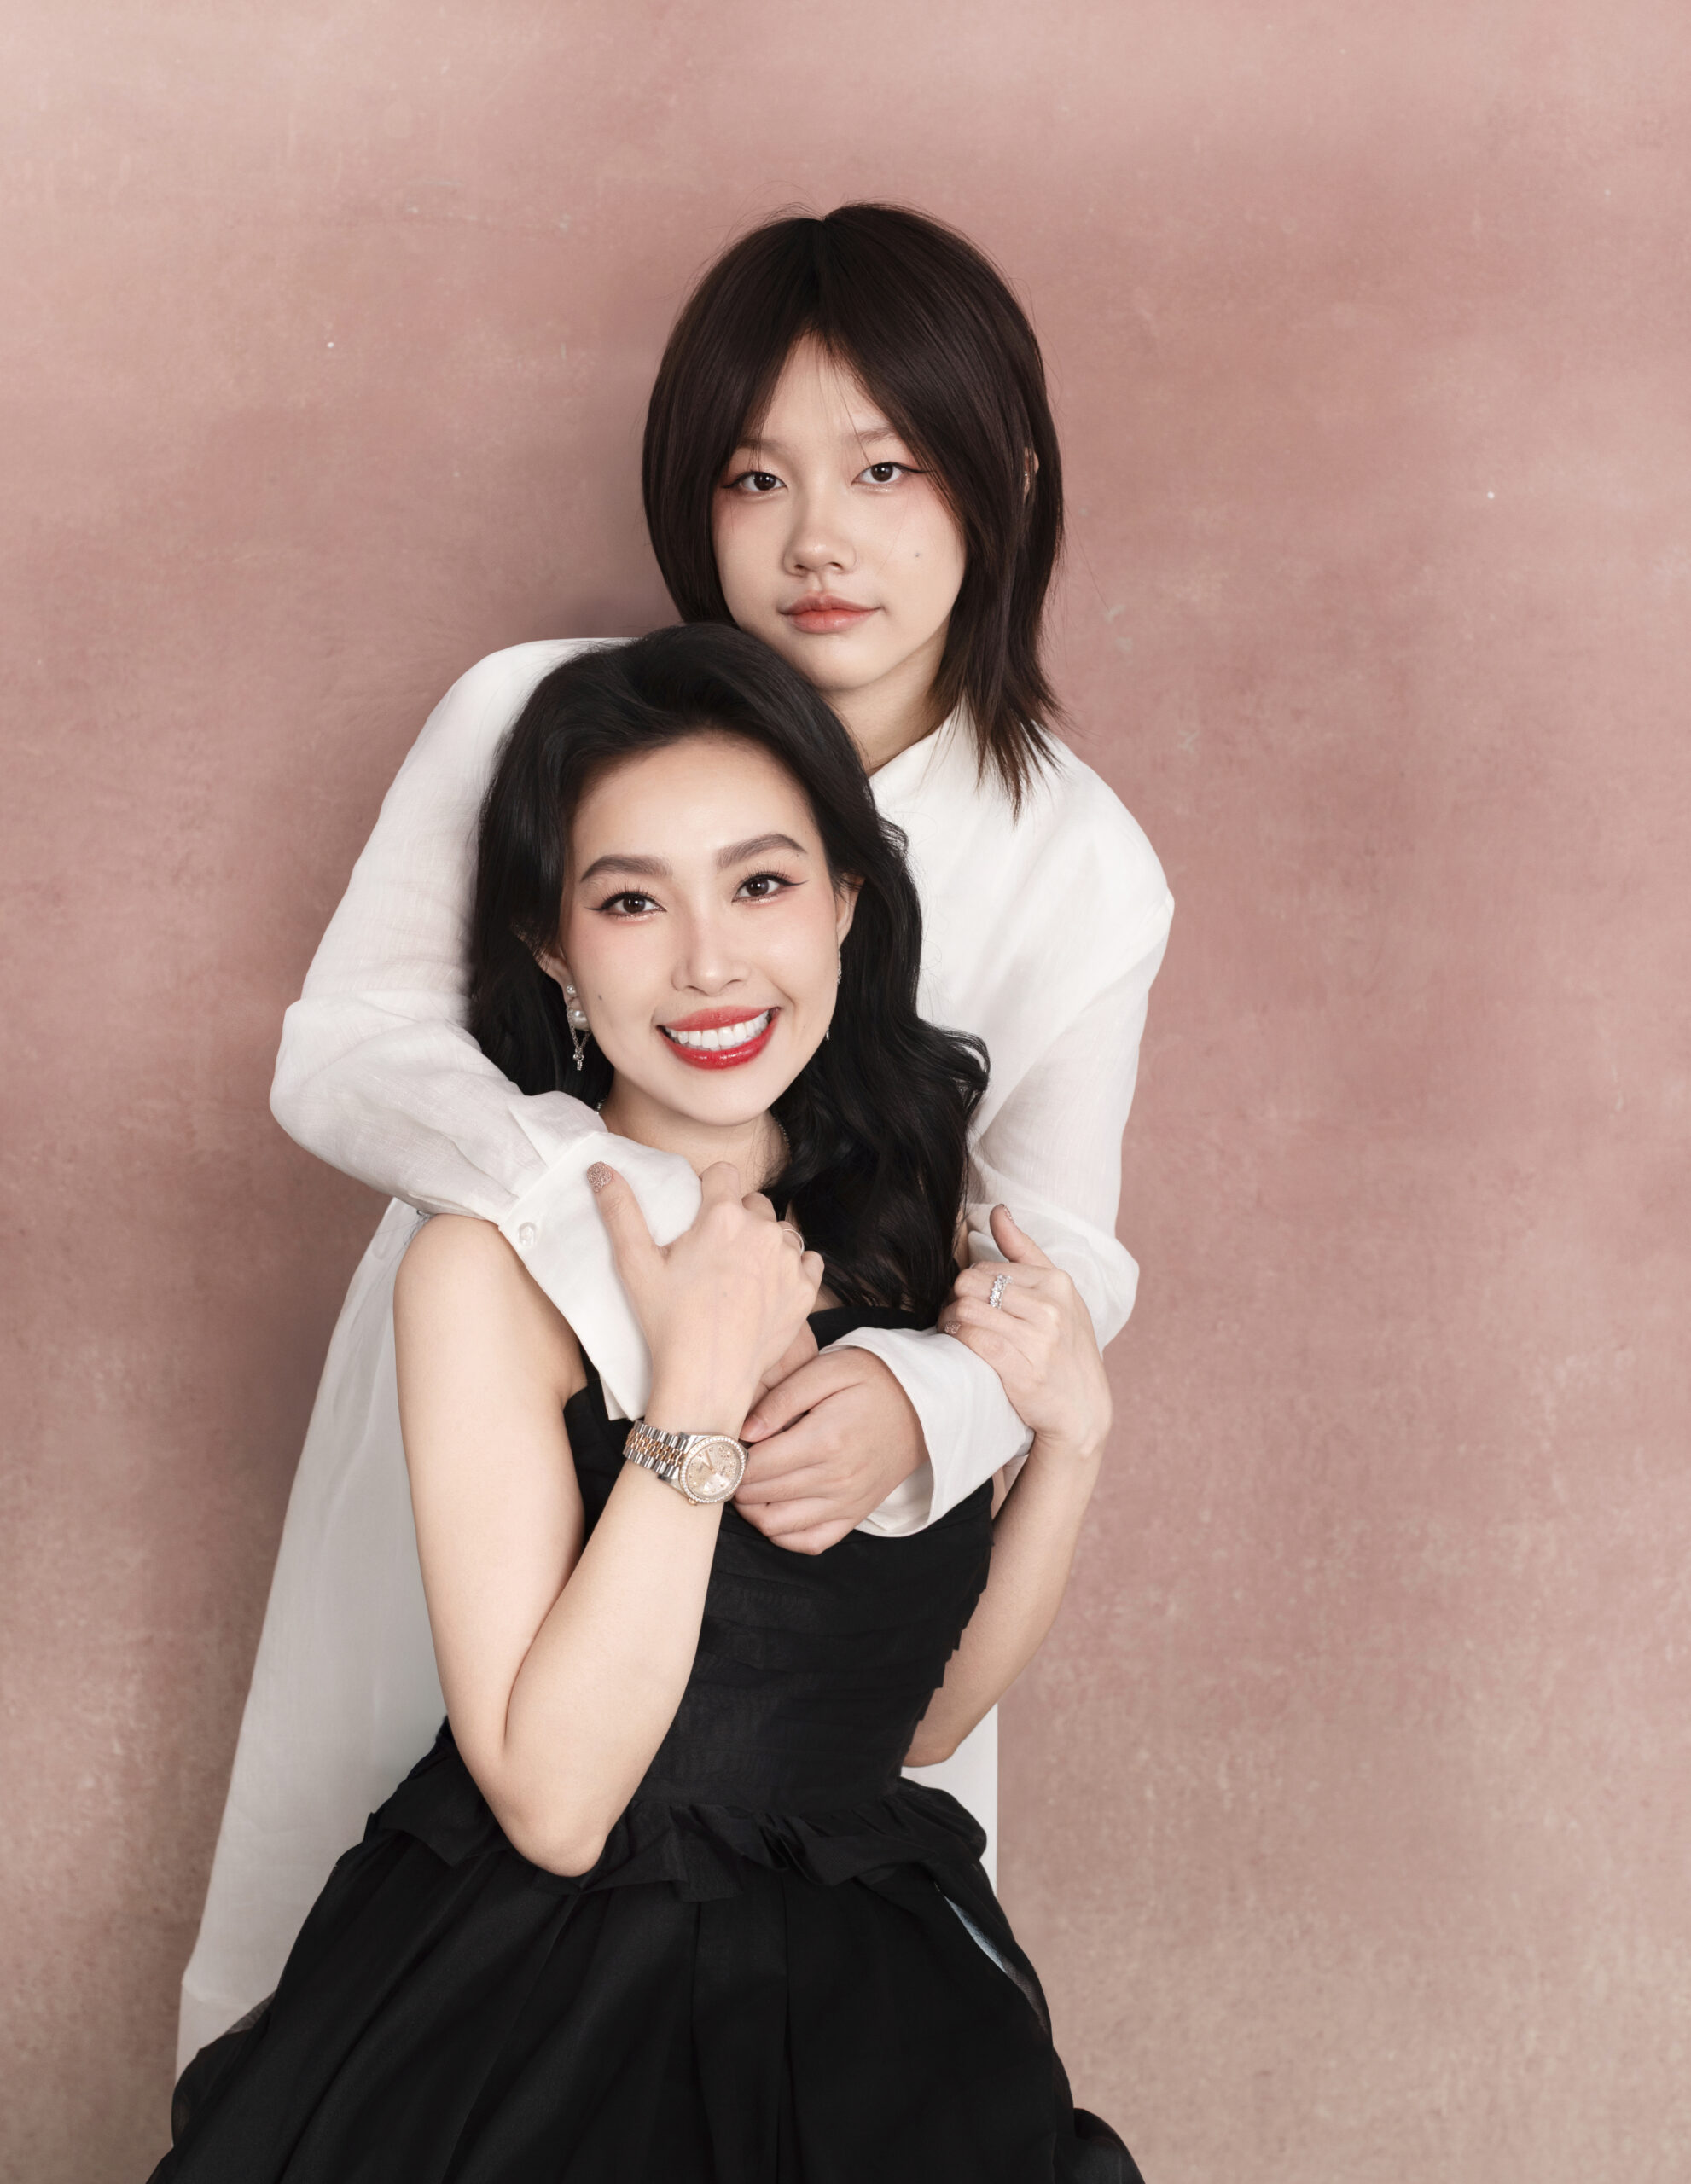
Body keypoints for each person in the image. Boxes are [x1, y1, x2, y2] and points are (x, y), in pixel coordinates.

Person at [177, 203, 1173, 2064]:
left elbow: (1061, 1249)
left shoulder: (1081, 860)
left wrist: (918, 1401)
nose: (818, 539)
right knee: (421, 1907)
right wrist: (617, 1234)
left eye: (885, 468)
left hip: (836, 1458)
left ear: (1005, 475)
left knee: (811, 1947)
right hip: (507, 1379)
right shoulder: (538, 718)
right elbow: (352, 1052)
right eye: (753, 476)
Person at [153, 626, 1142, 2183]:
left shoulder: (904, 1230)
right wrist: (692, 1392)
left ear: (845, 905)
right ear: (552, 948)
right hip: (545, 2018)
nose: (706, 964)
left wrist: (1069, 1445)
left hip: (873, 1996)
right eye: (629, 902)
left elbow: (916, 1724)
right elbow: (554, 1802)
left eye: (761, 885)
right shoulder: (486, 1264)